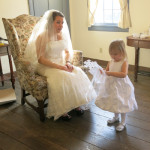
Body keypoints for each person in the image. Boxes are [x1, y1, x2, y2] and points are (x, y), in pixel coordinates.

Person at [24, 10, 96, 121]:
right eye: (58, 22)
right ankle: (63, 110)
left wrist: (68, 63)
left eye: (62, 22)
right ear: (50, 23)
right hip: (46, 66)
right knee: (62, 76)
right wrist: (59, 67)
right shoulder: (42, 37)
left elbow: (67, 52)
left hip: (61, 63)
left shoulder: (62, 35)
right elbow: (40, 59)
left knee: (77, 72)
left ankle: (76, 104)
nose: (61, 25)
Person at [94, 40, 138, 131]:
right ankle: (116, 117)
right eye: (111, 54)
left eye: (115, 54)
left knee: (122, 102)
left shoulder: (124, 62)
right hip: (111, 85)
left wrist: (110, 72)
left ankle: (123, 121)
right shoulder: (111, 61)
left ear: (122, 52)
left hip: (121, 86)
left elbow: (123, 74)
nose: (113, 56)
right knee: (114, 101)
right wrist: (102, 71)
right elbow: (107, 71)